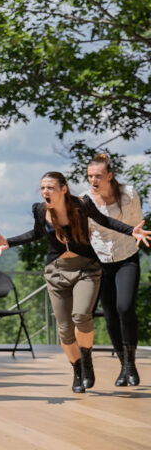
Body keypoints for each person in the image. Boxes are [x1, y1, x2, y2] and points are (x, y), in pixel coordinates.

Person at [0, 171, 148, 393]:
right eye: (43, 187)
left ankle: (87, 361)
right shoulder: (40, 210)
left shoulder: (81, 205)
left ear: (64, 189)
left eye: (50, 188)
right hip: (57, 272)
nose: (45, 192)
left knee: (81, 315)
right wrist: (9, 243)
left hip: (86, 268)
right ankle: (77, 370)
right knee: (65, 329)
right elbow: (36, 234)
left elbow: (104, 220)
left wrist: (131, 231)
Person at [84, 154, 144, 386]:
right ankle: (123, 366)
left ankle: (131, 364)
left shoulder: (129, 194)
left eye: (98, 176)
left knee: (125, 307)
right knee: (109, 315)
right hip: (100, 261)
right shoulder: (85, 199)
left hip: (127, 256)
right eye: (90, 176)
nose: (93, 180)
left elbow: (136, 223)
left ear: (109, 176)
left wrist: (135, 234)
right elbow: (87, 233)